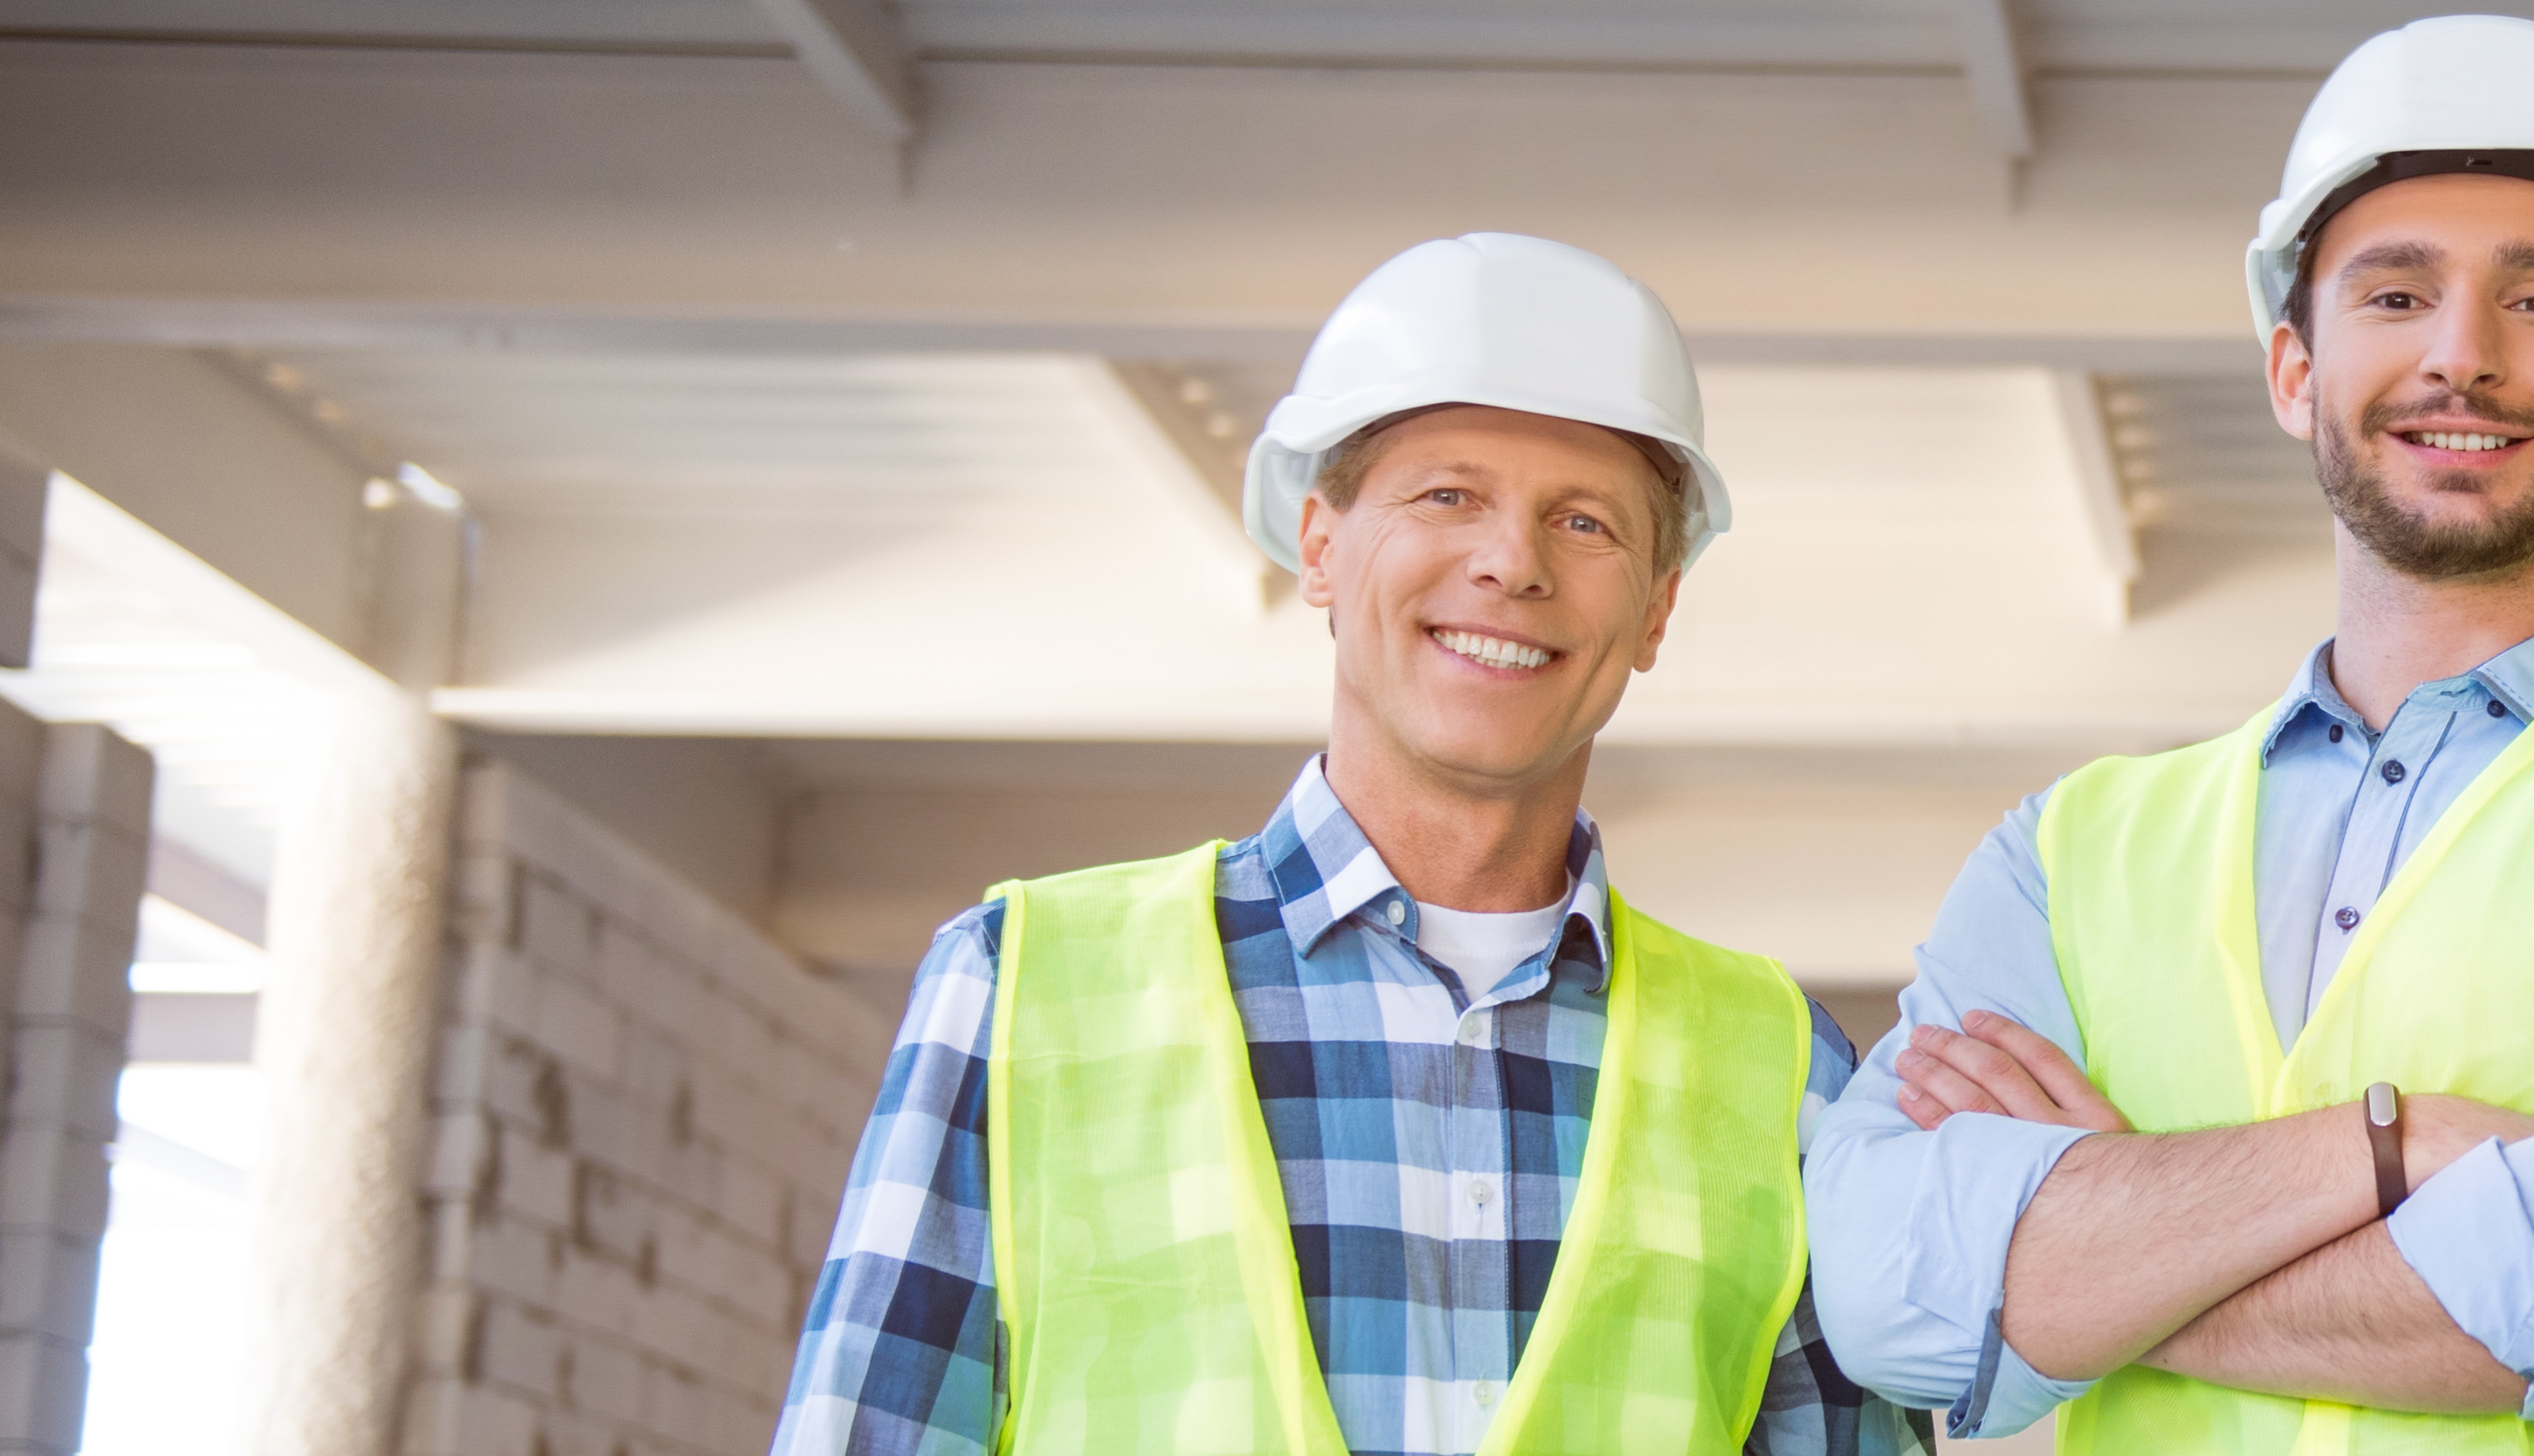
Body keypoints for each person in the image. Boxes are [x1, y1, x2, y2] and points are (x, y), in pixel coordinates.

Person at [1797, 13, 2534, 1455]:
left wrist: (2103, 1232)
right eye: (2394, 296)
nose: (2464, 355)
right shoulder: (2065, 853)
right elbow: (1893, 1299)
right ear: (2291, 370)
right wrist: (2391, 1147)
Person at [769, 234, 1909, 1456]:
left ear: (1656, 607)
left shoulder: (1781, 1065)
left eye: (1582, 522)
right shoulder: (1022, 985)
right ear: (1319, 544)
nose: (1510, 562)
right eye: (1446, 495)